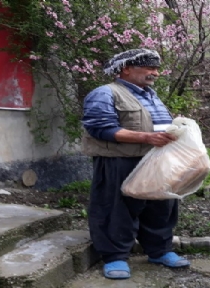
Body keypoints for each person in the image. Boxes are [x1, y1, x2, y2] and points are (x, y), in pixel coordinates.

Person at [81, 48, 189, 280]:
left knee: (160, 206)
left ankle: (159, 251)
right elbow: (100, 128)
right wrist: (146, 138)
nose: (155, 73)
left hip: (156, 160)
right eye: (149, 68)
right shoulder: (105, 93)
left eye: (156, 68)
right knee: (116, 209)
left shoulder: (150, 94)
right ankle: (115, 256)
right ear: (126, 69)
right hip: (119, 161)